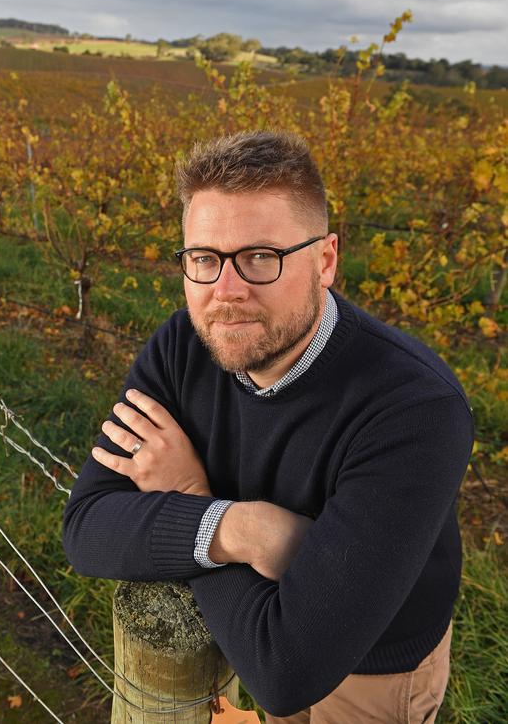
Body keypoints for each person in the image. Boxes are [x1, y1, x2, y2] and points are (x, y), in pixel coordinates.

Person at [62, 131, 473, 722]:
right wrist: (245, 527)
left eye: (261, 257)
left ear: (325, 260)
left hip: (374, 670)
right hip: (249, 626)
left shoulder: (414, 408)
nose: (226, 292)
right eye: (204, 259)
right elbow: (86, 527)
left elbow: (286, 671)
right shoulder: (183, 346)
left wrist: (186, 494)